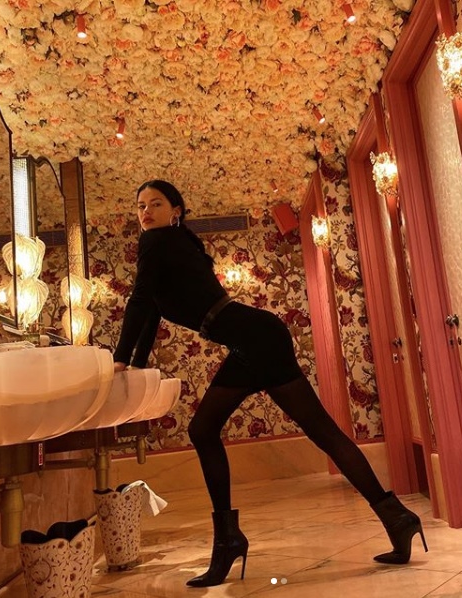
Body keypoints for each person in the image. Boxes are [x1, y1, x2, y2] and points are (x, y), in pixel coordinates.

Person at [113, 179, 428, 587]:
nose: (145, 212)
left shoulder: (157, 243)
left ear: (176, 211)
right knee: (309, 431)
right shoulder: (172, 246)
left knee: (213, 429)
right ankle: (396, 518)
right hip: (255, 338)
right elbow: (151, 311)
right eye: (140, 206)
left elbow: (139, 301)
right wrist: (136, 364)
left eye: (155, 204)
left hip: (254, 339)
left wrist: (120, 361)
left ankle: (229, 541)